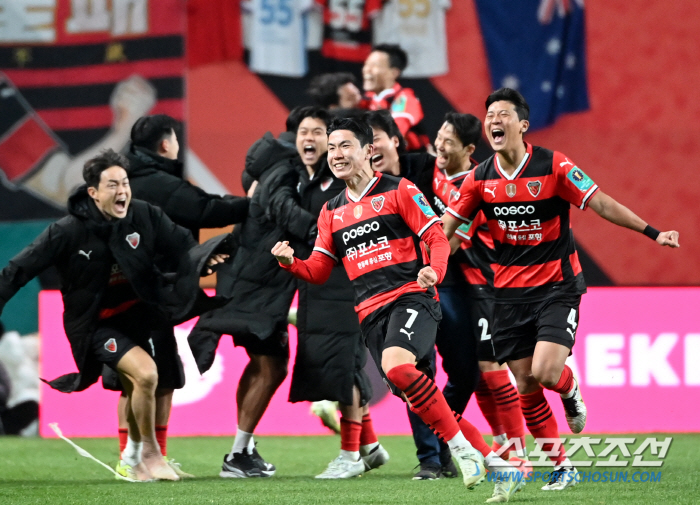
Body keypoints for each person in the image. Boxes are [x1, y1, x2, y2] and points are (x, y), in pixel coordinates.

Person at [272, 117, 525, 502]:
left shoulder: (398, 190)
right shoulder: (332, 212)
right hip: (370, 315)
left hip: (411, 297)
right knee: (426, 402)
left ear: (368, 151)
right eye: (333, 147)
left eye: (345, 146)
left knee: (397, 366)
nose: (336, 155)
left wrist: (434, 271)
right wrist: (291, 263)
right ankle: (498, 464)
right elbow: (319, 271)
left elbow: (437, 236)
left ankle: (463, 453)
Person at [442, 88, 680, 491]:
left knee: (547, 372)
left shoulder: (554, 166)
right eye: (489, 116)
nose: (494, 121)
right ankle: (561, 465)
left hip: (556, 287)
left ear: (522, 125)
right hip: (508, 295)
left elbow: (601, 203)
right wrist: (424, 271)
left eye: (503, 114)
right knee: (526, 385)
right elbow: (447, 234)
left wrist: (653, 233)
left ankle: (570, 392)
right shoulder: (478, 179)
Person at [0, 149, 229, 481]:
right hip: (96, 323)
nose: (122, 191)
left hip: (144, 313)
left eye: (125, 183)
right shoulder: (67, 231)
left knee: (155, 381)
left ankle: (132, 459)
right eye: (112, 185)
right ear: (93, 192)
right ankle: (149, 456)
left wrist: (203, 261)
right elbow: (17, 270)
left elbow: (182, 246)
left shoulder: (145, 216)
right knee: (146, 375)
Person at [103, 114, 251, 478]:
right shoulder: (160, 184)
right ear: (166, 144)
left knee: (132, 380)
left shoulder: (120, 181)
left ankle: (133, 458)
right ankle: (147, 459)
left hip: (114, 293)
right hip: (150, 296)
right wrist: (257, 202)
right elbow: (207, 209)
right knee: (161, 378)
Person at [187, 122, 318, 479]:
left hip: (253, 279)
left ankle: (241, 449)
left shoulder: (276, 165)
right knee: (272, 365)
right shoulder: (285, 170)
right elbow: (281, 208)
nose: (317, 141)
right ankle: (238, 453)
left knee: (265, 362)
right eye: (313, 132)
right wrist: (324, 230)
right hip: (259, 284)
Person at [291, 107, 389, 478]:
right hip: (319, 291)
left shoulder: (349, 187)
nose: (315, 142)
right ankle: (371, 446)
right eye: (308, 133)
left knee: (346, 371)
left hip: (351, 291)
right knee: (337, 371)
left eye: (322, 134)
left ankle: (351, 456)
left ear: (364, 149)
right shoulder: (312, 184)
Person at [361, 44, 430, 152]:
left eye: (374, 66)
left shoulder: (404, 98)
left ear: (393, 73)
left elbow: (394, 134)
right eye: (366, 64)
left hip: (409, 163)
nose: (367, 70)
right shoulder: (365, 100)